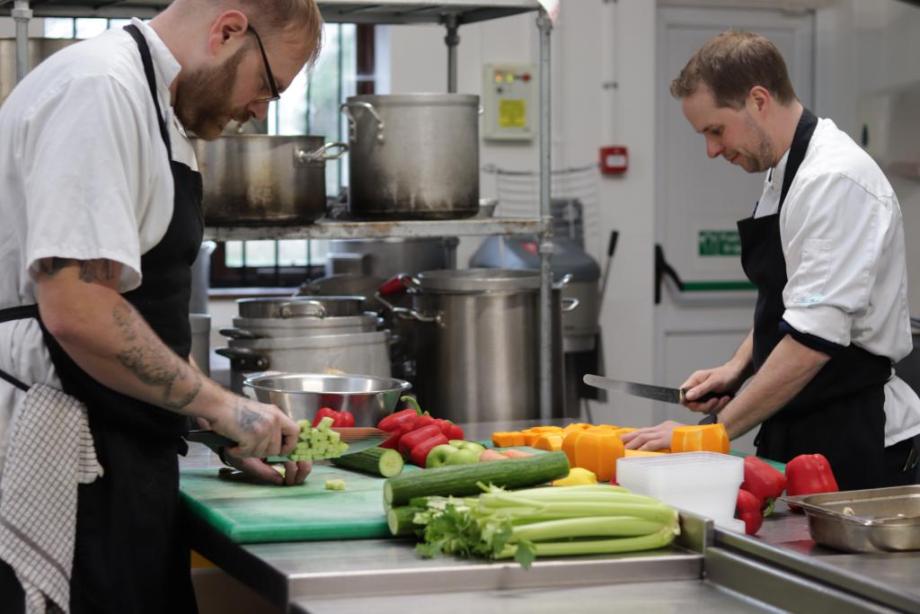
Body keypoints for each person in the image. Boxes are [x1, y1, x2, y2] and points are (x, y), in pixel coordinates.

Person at [0, 0, 323, 611]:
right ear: (229, 31)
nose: (258, 112)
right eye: (268, 87)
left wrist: (213, 423)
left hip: (123, 448)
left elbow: (144, 309)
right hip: (69, 454)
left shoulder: (157, 106)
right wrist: (223, 406)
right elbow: (79, 309)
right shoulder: (99, 90)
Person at [622, 30, 920, 490]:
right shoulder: (785, 172)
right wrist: (737, 367)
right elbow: (793, 300)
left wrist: (705, 436)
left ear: (758, 100)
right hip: (797, 421)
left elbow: (810, 343)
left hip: (855, 438)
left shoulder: (833, 180)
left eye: (715, 130)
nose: (712, 150)